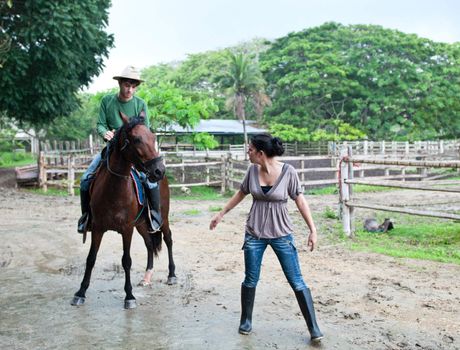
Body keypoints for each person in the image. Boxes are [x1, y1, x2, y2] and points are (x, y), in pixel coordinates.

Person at [209, 133, 323, 343]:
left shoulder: (288, 172)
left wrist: (312, 229)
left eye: (250, 149)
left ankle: (313, 327)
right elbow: (240, 193)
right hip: (254, 234)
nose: (248, 152)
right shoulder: (252, 171)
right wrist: (221, 213)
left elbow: (300, 201)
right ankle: (246, 320)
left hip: (282, 235)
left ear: (260, 153)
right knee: (251, 279)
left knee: (296, 280)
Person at [77, 65, 162, 234]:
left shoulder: (140, 104)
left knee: (150, 181)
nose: (129, 89)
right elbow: (101, 124)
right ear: (120, 84)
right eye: (126, 85)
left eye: (133, 86)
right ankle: (86, 217)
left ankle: (153, 215)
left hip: (133, 151)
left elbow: (144, 130)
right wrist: (105, 132)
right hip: (112, 150)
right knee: (86, 178)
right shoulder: (107, 101)